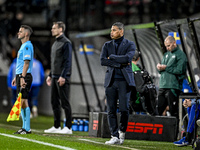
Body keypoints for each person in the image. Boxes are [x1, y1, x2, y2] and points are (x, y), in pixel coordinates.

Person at [100, 22, 136, 145]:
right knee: (110, 110)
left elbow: (127, 59)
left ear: (121, 31)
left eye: (114, 30)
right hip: (110, 81)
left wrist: (113, 57)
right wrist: (119, 63)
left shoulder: (130, 44)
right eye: (111, 30)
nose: (111, 32)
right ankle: (114, 135)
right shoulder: (107, 45)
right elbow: (103, 61)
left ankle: (122, 131)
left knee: (124, 109)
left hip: (124, 82)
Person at [44, 21, 72, 134]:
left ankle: (68, 127)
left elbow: (67, 61)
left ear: (61, 29)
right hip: (55, 76)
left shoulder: (66, 43)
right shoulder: (55, 43)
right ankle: (56, 126)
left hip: (62, 78)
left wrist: (63, 76)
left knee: (65, 102)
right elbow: (54, 62)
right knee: (54, 102)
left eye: (54, 28)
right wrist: (50, 75)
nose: (52, 30)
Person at [157, 36, 187, 138]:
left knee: (174, 111)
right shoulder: (166, 55)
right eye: (166, 46)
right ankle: (159, 134)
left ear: (174, 43)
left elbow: (180, 70)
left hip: (173, 86)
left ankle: (174, 135)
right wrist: (159, 68)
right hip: (163, 85)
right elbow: (162, 69)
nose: (167, 48)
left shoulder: (181, 55)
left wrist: (166, 68)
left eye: (169, 46)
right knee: (159, 109)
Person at [11, 25, 34, 134]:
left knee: (24, 101)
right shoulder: (23, 46)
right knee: (22, 101)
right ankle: (24, 127)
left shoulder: (27, 46)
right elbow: (21, 64)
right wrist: (17, 77)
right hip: (20, 76)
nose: (18, 33)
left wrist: (22, 77)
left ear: (26, 34)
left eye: (20, 31)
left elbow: (26, 63)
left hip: (25, 76)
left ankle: (27, 128)